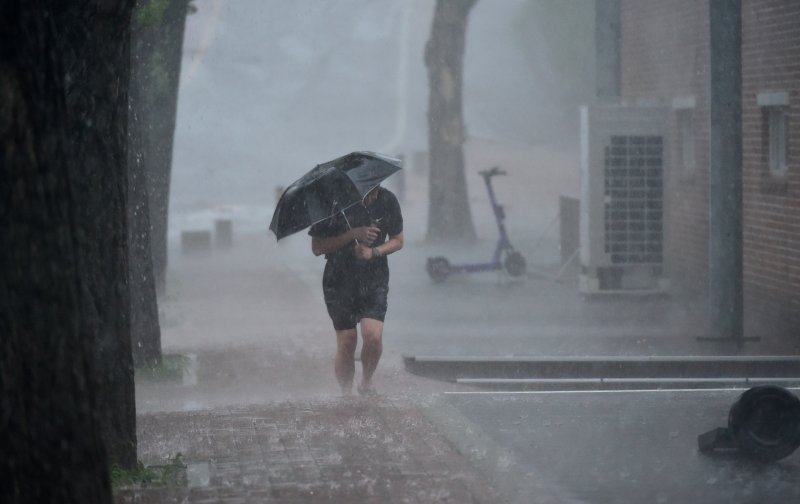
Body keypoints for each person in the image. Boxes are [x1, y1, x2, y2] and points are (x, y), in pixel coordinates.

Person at [309, 185, 403, 396]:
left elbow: (398, 240)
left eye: (373, 193)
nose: (368, 199)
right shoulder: (332, 201)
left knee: (373, 337)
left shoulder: (388, 200)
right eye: (364, 194)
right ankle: (346, 393)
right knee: (347, 340)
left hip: (374, 278)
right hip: (339, 279)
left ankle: (366, 382)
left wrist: (375, 251)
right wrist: (352, 234)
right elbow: (317, 247)